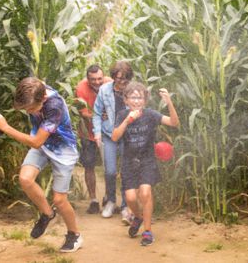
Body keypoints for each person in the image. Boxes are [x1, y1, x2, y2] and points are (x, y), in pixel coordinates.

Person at [0, 77, 83, 252]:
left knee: (60, 200)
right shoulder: (35, 88)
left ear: (43, 99)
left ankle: (74, 235)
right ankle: (47, 214)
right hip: (42, 144)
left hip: (62, 151)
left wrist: (5, 127)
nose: (29, 111)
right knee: (25, 179)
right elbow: (35, 81)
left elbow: (36, 142)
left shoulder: (54, 107)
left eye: (31, 109)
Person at [111, 82, 179, 246]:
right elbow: (114, 137)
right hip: (129, 162)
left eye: (139, 98)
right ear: (126, 100)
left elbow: (173, 122)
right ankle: (138, 217)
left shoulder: (150, 115)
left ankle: (147, 231)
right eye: (132, 98)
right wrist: (127, 120)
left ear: (145, 101)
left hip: (147, 160)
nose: (136, 101)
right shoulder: (121, 115)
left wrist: (169, 102)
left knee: (145, 193)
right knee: (131, 198)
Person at [93, 60, 133, 220]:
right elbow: (97, 113)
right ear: (113, 77)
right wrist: (97, 133)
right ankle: (110, 201)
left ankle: (125, 206)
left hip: (128, 136)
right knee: (109, 171)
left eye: (125, 79)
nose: (122, 82)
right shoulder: (104, 90)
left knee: (126, 171)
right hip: (109, 134)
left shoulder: (133, 90)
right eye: (118, 78)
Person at [75, 64, 112, 214]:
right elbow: (82, 113)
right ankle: (93, 200)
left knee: (109, 167)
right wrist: (97, 116)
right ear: (87, 79)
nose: (97, 82)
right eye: (93, 79)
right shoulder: (81, 87)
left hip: (107, 132)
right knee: (89, 166)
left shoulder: (110, 83)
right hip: (87, 133)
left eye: (99, 79)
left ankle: (109, 198)